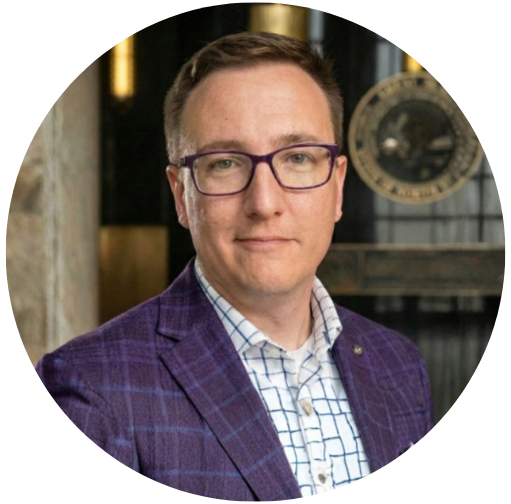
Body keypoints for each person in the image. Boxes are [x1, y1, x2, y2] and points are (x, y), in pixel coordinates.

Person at [35, 31, 435, 499]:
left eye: (298, 158)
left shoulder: (398, 365)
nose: (264, 203)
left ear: (337, 187)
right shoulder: (91, 387)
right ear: (181, 195)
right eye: (225, 163)